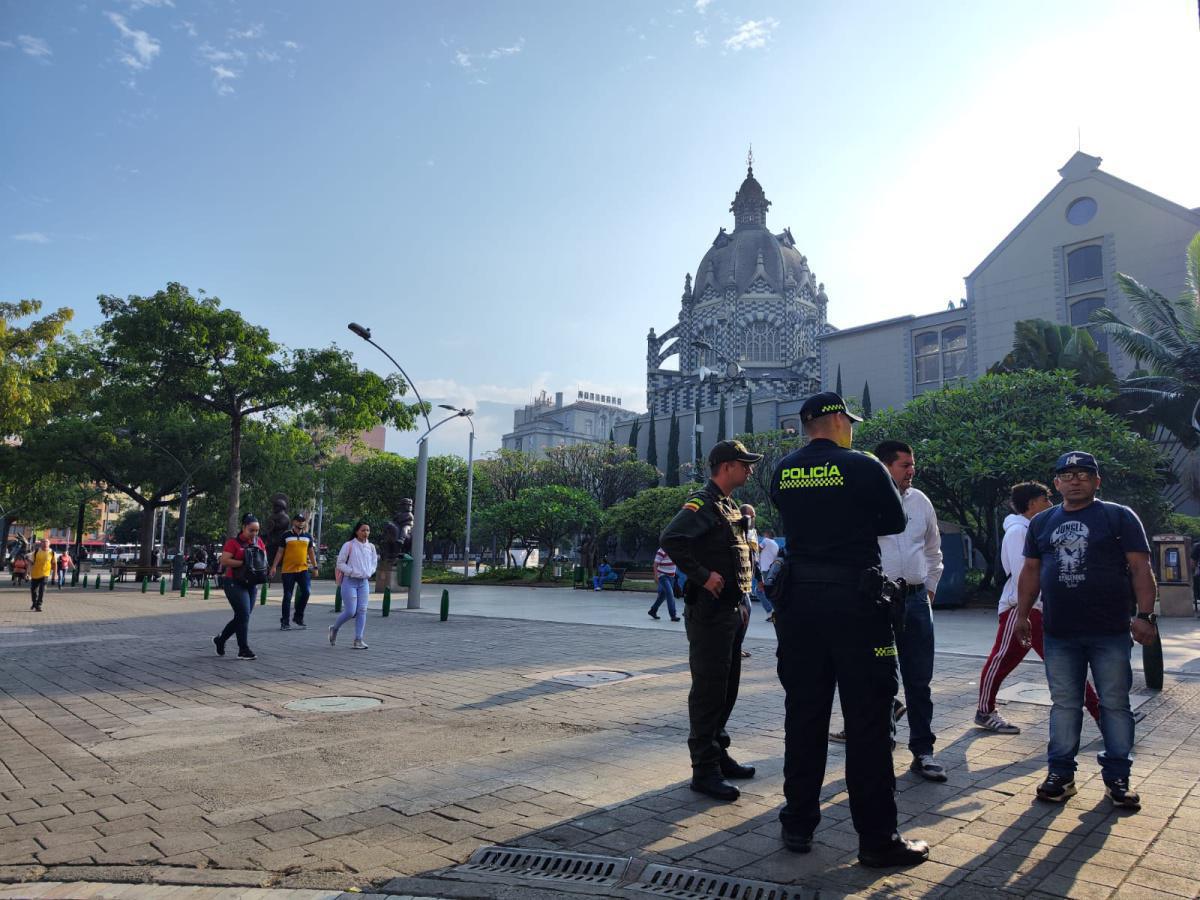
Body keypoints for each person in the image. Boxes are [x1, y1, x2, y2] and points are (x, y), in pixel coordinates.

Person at [769, 392, 928, 867]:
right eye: (850, 422)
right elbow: (893, 520)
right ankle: (877, 840)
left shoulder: (784, 468)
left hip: (799, 605)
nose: (853, 428)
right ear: (838, 420)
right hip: (856, 605)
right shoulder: (861, 466)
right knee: (869, 723)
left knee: (804, 716)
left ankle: (798, 823)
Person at [1016, 451, 1157, 810]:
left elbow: (1141, 568)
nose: (1075, 479)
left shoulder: (1118, 517)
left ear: (1097, 480)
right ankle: (1060, 775)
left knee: (1114, 704)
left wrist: (1145, 615)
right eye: (1067, 473)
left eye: (1084, 473)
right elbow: (1031, 571)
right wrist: (1021, 614)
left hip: (1109, 631)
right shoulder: (1042, 522)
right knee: (1064, 705)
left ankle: (1118, 778)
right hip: (1059, 632)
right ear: (1056, 482)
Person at [660, 439, 762, 803]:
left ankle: (719, 754)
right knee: (708, 692)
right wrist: (703, 575)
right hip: (710, 613)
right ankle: (704, 770)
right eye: (743, 463)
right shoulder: (701, 503)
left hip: (732, 612)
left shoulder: (729, 506)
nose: (749, 469)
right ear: (724, 467)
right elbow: (672, 538)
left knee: (727, 688)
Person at [976, 482, 1100, 733]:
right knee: (1005, 660)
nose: (1050, 504)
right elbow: (1025, 573)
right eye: (1045, 499)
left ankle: (1103, 713)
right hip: (1022, 609)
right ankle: (1103, 714)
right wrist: (1025, 611)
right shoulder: (1018, 532)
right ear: (1032, 503)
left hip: (1040, 608)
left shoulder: (1035, 529)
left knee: (1050, 662)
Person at [871, 440, 946, 783]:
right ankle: (879, 741)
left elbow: (933, 549)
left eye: (912, 464)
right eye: (905, 465)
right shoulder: (864, 501)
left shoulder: (920, 501)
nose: (912, 470)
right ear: (886, 466)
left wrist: (929, 587)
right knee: (877, 677)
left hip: (916, 601)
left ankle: (923, 751)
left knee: (920, 680)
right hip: (877, 602)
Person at [215, 514, 267, 660]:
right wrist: (244, 563)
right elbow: (224, 561)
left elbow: (262, 560)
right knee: (243, 615)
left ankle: (220, 639)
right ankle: (243, 649)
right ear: (244, 528)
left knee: (242, 617)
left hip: (251, 583)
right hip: (234, 582)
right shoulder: (233, 543)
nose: (254, 533)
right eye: (251, 530)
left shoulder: (259, 541)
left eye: (257, 530)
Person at [331, 521, 378, 650]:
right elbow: (340, 563)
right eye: (363, 530)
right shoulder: (349, 545)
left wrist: (370, 571)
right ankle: (334, 629)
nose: (366, 533)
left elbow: (374, 563)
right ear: (357, 531)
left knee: (362, 610)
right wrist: (351, 571)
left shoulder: (371, 547)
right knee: (351, 611)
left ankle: (358, 639)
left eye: (368, 530)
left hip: (364, 582)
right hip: (349, 581)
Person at [269, 513, 317, 631]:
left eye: (303, 521)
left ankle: (298, 617)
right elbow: (280, 552)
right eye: (298, 520)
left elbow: (311, 553)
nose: (301, 522)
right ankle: (285, 622)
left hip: (303, 570)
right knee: (287, 596)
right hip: (288, 571)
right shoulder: (286, 535)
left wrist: (315, 567)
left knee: (306, 592)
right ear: (293, 522)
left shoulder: (308, 537)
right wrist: (274, 566)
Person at [648, 546, 680, 621]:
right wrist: (656, 576)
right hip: (663, 575)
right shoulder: (661, 551)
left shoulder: (675, 550)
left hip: (672, 576)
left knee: (663, 595)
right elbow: (655, 564)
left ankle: (653, 610)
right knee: (670, 593)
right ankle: (673, 615)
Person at [756, 528, 780, 623]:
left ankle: (771, 611)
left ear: (767, 534)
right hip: (772, 571)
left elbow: (757, 549)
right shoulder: (776, 545)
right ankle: (773, 612)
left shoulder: (766, 541)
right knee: (769, 592)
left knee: (759, 591)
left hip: (765, 570)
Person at [29, 539, 55, 612]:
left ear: (49, 544)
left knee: (42, 590)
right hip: (35, 574)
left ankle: (39, 605)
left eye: (46, 542)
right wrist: (28, 573)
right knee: (33, 590)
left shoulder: (52, 553)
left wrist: (54, 575)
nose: (45, 543)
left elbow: (54, 564)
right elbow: (30, 563)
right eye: (43, 542)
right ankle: (34, 602)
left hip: (45, 574)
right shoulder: (36, 552)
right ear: (41, 544)